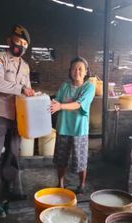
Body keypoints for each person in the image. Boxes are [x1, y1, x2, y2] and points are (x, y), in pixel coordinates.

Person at [0, 25, 33, 219]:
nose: (20, 46)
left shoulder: (26, 66)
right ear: (8, 40)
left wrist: (34, 96)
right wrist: (21, 88)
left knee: (12, 153)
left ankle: (8, 189)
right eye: (17, 41)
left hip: (17, 116)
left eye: (24, 44)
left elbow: (27, 89)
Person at [50, 57, 95, 192]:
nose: (77, 71)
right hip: (63, 127)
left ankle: (81, 185)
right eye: (74, 68)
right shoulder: (65, 86)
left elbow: (79, 104)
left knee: (80, 159)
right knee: (61, 158)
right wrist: (44, 100)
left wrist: (60, 106)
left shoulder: (89, 87)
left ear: (86, 72)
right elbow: (56, 101)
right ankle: (60, 183)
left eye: (80, 69)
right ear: (70, 71)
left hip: (79, 130)